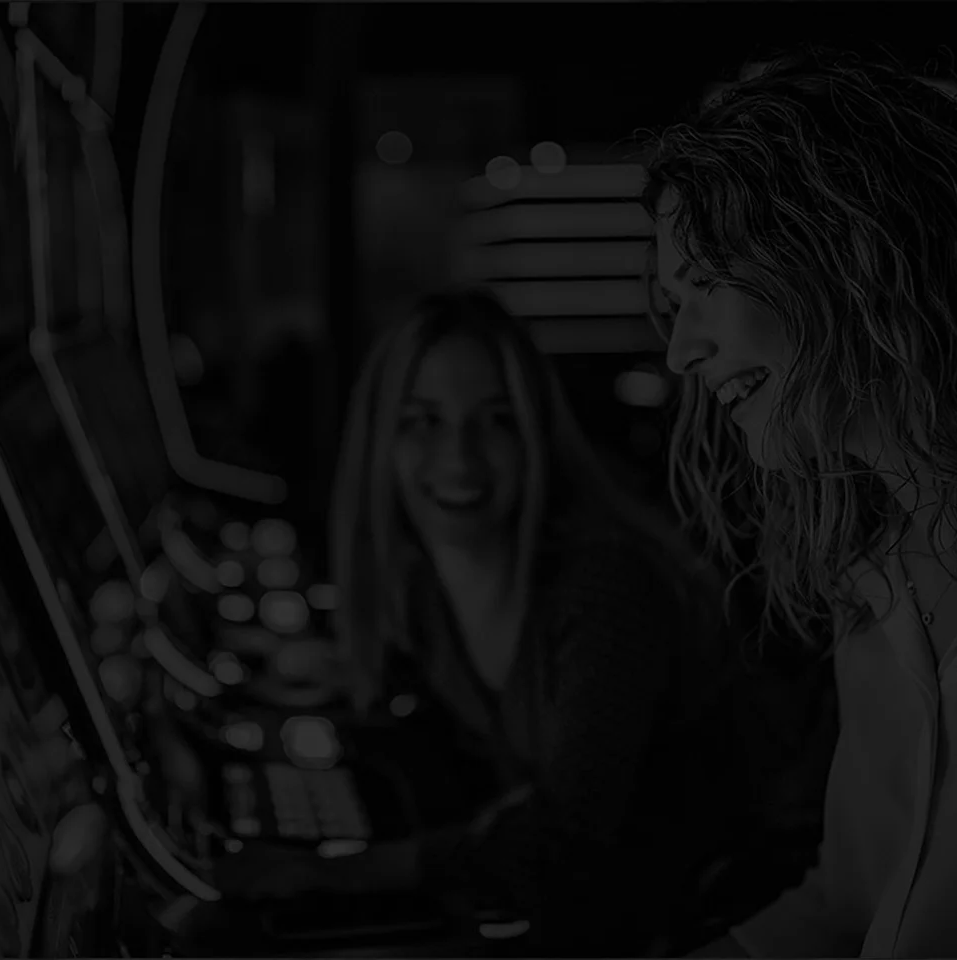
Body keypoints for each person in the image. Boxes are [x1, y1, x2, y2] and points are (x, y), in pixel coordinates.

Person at [643, 47, 957, 958]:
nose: (682, 350)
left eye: (707, 284)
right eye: (670, 303)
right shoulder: (875, 580)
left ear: (853, 253)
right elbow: (854, 904)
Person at [216, 290, 739, 954]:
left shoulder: (604, 584)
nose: (459, 459)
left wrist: (339, 870)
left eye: (495, 421)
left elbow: (569, 835)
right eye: (422, 422)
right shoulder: (423, 590)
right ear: (382, 440)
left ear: (536, 433)